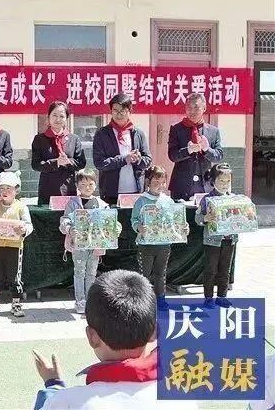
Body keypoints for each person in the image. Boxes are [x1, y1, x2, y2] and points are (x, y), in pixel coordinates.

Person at [32, 270, 198, 410]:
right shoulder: (182, 400)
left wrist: (53, 385)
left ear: (92, 337)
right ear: (155, 332)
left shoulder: (66, 401)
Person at [131, 165, 187, 311]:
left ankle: (161, 299)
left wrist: (183, 228)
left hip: (164, 245)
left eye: (163, 182)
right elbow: (134, 219)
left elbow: (176, 220)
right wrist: (139, 227)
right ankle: (144, 301)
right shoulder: (141, 201)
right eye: (156, 182)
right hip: (146, 245)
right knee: (144, 274)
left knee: (160, 273)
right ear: (148, 182)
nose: (160, 186)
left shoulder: (168, 201)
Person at [59, 168, 110, 314]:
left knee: (92, 272)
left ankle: (90, 301)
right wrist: (70, 229)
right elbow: (64, 220)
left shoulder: (102, 204)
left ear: (95, 185)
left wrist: (114, 229)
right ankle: (80, 301)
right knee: (79, 272)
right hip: (79, 245)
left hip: (95, 245)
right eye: (83, 185)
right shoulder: (73, 203)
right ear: (77, 186)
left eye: (90, 184)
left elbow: (109, 222)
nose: (87, 187)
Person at [0, 171, 34, 319]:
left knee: (14, 276)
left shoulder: (21, 207)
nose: (5, 191)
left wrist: (24, 230)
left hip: (15, 246)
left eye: (8, 188)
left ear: (16, 190)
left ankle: (16, 303)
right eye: (2, 188)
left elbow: (29, 225)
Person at [92, 94, 152, 205]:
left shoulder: (138, 133)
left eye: (123, 111)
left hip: (135, 191)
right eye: (115, 111)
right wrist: (124, 159)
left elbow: (148, 160)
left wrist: (138, 159)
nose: (119, 114)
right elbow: (99, 163)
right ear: (111, 111)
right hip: (111, 193)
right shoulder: (102, 134)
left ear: (130, 111)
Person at [195, 163, 237, 309]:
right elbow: (197, 218)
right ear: (213, 181)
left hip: (229, 239)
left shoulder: (234, 199)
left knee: (225, 269)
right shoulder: (207, 199)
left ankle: (222, 296)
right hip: (212, 241)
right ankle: (208, 298)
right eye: (221, 181)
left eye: (228, 181)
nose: (225, 184)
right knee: (211, 269)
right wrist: (205, 218)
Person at [168, 92, 224, 201]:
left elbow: (219, 156)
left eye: (196, 107)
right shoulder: (176, 129)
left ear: (204, 108)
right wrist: (187, 150)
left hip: (205, 184)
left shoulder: (213, 131)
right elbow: (172, 155)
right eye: (189, 108)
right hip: (181, 185)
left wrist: (207, 149)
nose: (192, 111)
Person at [31, 101, 86, 206]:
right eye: (54, 115)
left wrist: (68, 161)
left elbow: (81, 162)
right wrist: (56, 162)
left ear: (66, 119)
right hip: (47, 188)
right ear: (49, 117)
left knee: (69, 215)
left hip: (68, 188)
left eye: (62, 116)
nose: (58, 119)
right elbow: (35, 165)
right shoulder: (40, 139)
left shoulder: (74, 139)